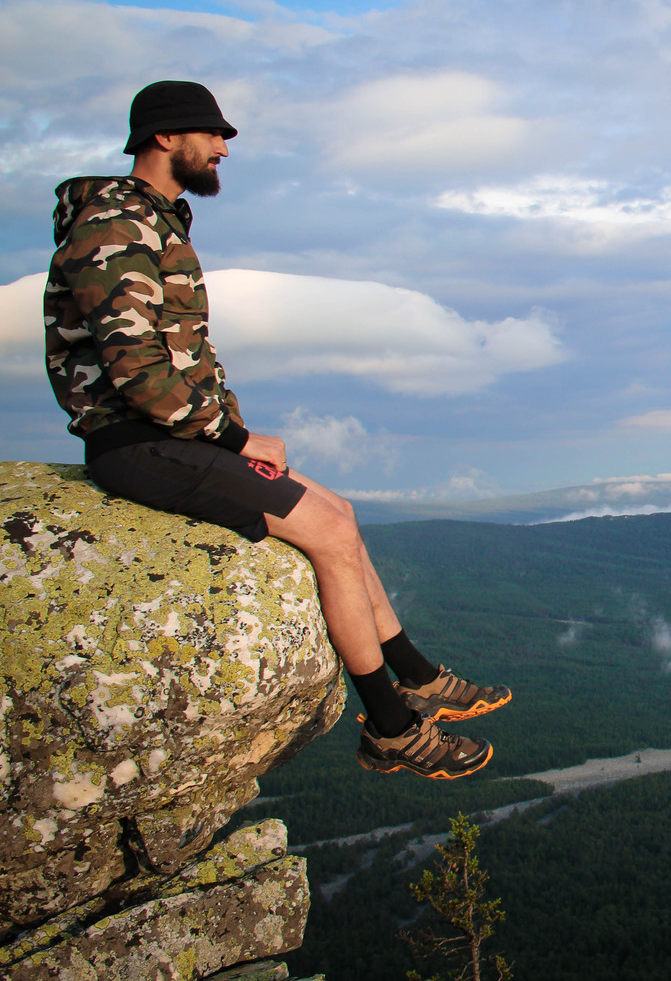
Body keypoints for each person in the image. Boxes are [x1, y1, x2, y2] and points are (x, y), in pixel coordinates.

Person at [44, 80, 510, 779]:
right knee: (323, 530)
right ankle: (390, 728)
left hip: (177, 438)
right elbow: (135, 369)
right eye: (214, 132)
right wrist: (232, 440)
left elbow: (179, 353)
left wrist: (222, 427)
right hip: (139, 445)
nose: (225, 146)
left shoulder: (154, 222)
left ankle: (414, 674)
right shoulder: (114, 225)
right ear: (166, 137)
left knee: (339, 515)